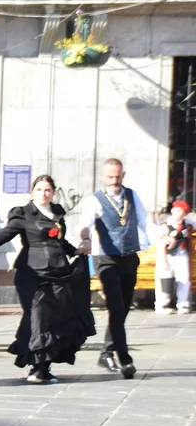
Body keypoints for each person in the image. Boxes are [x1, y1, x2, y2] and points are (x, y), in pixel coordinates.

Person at [0, 175, 95, 383]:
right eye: (39, 189)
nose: (44, 193)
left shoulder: (57, 212)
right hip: (31, 272)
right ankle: (36, 366)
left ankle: (43, 366)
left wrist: (75, 251)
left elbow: (60, 241)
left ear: (53, 192)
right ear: (32, 192)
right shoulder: (23, 213)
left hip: (58, 272)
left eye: (47, 190)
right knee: (38, 313)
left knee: (53, 318)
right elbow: (5, 234)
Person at [78, 158, 151, 379]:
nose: (114, 181)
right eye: (110, 177)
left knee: (123, 308)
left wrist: (161, 236)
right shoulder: (95, 200)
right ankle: (125, 359)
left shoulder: (132, 195)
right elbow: (85, 223)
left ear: (123, 175)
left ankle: (106, 353)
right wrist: (85, 239)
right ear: (103, 176)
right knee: (116, 307)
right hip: (106, 258)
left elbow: (145, 221)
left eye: (118, 176)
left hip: (129, 256)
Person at [155, 200, 195, 314]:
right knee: (164, 278)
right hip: (166, 255)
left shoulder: (187, 224)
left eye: (181, 211)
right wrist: (163, 261)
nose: (178, 214)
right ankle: (161, 304)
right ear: (172, 210)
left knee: (184, 279)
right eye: (176, 210)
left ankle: (183, 304)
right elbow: (159, 241)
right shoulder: (165, 225)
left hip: (181, 254)